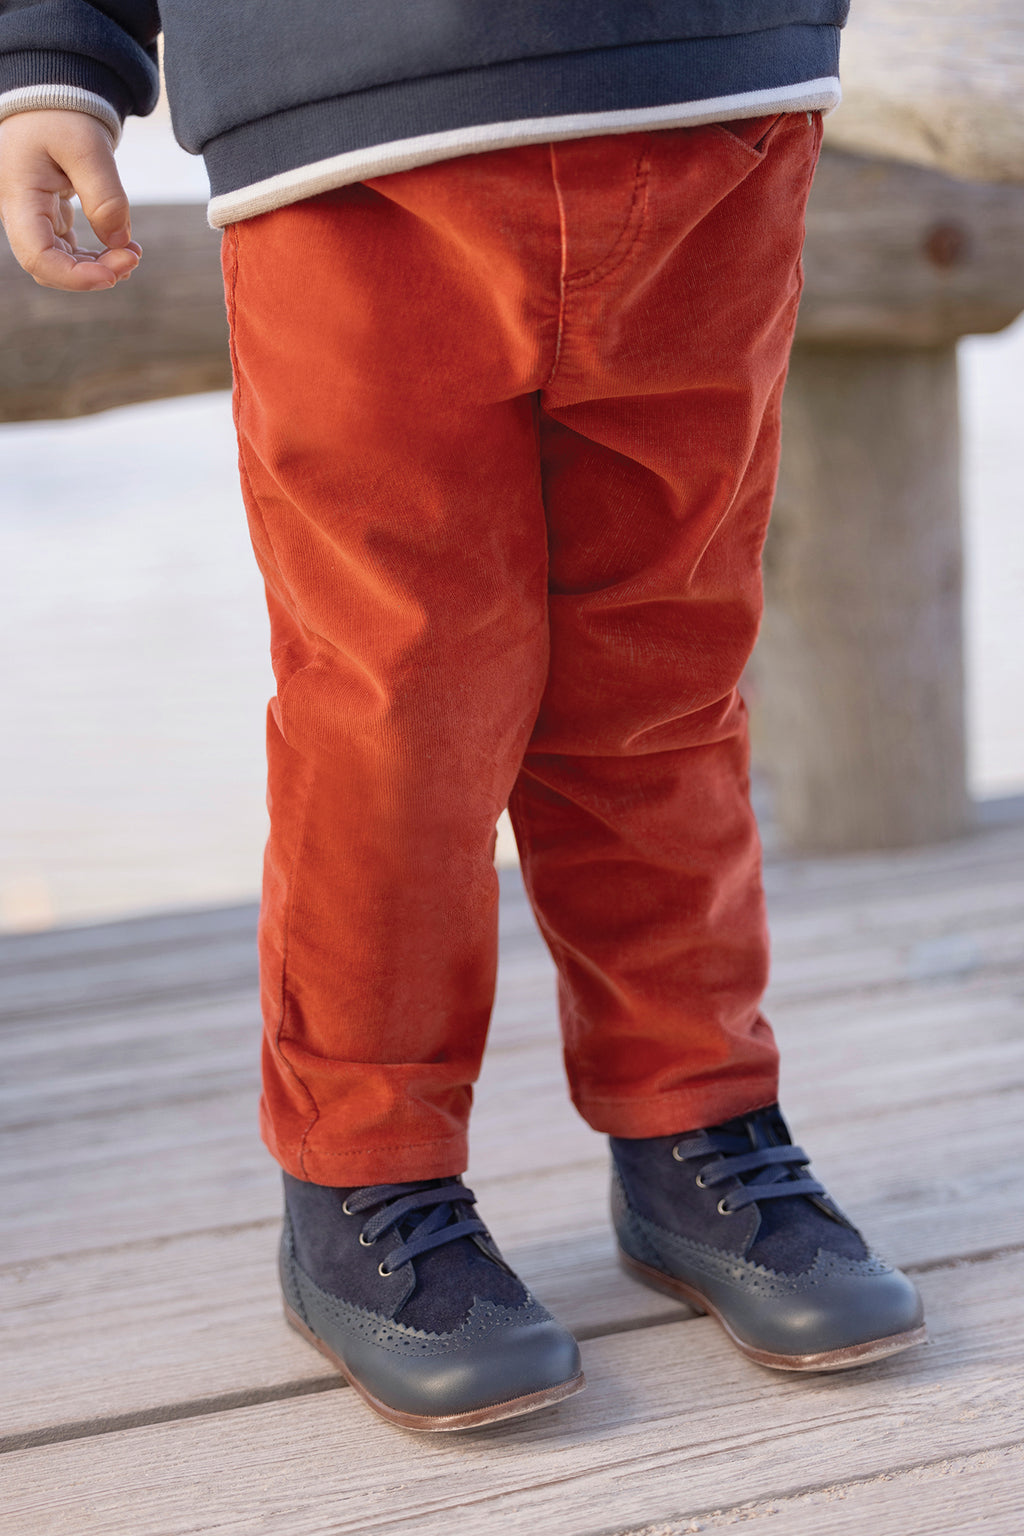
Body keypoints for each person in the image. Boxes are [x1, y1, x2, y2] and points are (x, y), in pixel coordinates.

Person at [0, 0, 925, 1432]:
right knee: (396, 712)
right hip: (347, 122)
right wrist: (52, 57)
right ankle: (365, 1172)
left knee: (665, 677)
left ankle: (694, 1119)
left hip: (707, 94)